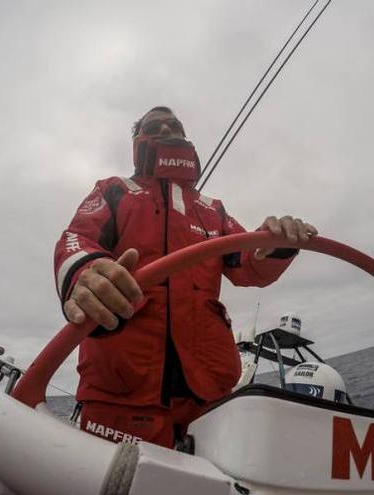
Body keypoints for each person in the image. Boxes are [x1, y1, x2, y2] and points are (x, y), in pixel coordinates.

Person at [54, 106, 317, 448]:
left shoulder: (212, 208)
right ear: (139, 140)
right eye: (154, 124)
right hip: (121, 391)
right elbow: (76, 238)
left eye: (174, 123)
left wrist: (274, 245)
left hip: (209, 392)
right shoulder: (114, 190)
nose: (166, 127)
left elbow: (247, 264)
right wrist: (85, 273)